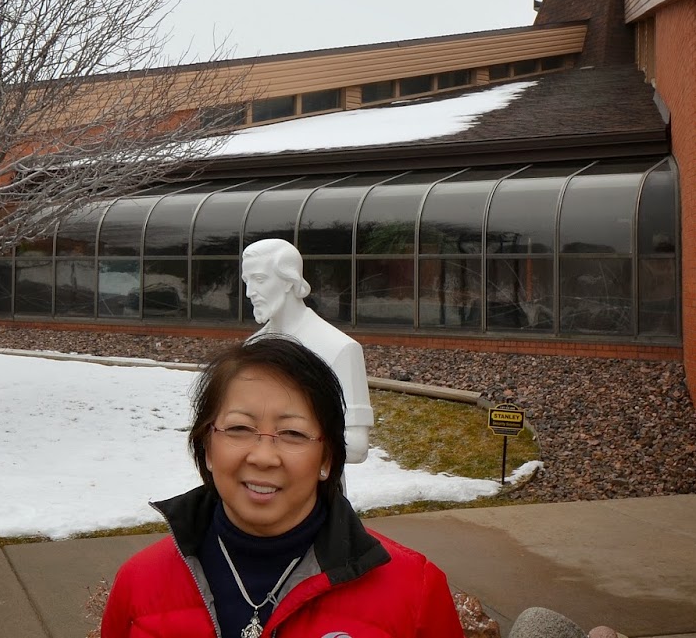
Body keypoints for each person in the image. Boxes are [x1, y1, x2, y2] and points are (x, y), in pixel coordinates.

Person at [101, 339, 463, 638]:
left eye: (292, 433)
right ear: (207, 447)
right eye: (239, 429)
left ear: (326, 459)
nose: (263, 457)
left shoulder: (413, 589)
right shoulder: (139, 582)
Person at [241, 238, 374, 463]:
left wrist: (279, 440)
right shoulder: (251, 348)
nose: (249, 292)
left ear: (289, 281)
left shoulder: (339, 348)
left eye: (260, 279)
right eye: (247, 281)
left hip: (315, 494)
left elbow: (357, 447)